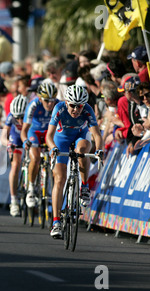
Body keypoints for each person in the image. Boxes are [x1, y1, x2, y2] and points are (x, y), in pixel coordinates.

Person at [46, 85, 104, 238]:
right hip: (61, 140)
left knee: (82, 150)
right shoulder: (59, 108)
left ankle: (84, 187)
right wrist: (52, 148)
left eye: (79, 106)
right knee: (59, 179)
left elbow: (97, 135)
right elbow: (49, 136)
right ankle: (56, 222)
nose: (76, 110)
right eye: (72, 105)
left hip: (80, 138)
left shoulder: (87, 110)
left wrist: (99, 150)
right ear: (66, 102)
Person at [20, 82, 59, 207]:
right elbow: (24, 130)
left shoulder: (58, 104)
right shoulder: (33, 105)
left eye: (52, 100)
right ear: (40, 98)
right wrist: (26, 141)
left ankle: (50, 188)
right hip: (34, 132)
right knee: (35, 158)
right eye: (46, 100)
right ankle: (31, 189)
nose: (50, 104)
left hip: (49, 133)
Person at [2, 94, 29, 217]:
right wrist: (8, 144)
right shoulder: (10, 116)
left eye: (22, 117)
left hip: (29, 136)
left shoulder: (33, 114)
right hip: (16, 137)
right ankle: (13, 201)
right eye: (17, 117)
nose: (19, 121)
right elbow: (3, 136)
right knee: (16, 164)